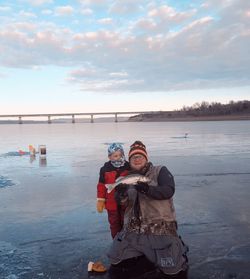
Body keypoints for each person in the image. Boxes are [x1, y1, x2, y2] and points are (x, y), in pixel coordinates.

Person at [108, 141, 189, 278]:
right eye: (134, 157)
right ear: (130, 161)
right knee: (117, 262)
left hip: (161, 231)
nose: (137, 159)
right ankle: (144, 256)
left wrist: (147, 189)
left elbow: (168, 191)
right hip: (133, 232)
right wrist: (120, 193)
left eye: (140, 156)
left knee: (174, 272)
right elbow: (123, 203)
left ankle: (175, 249)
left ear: (146, 158)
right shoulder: (127, 178)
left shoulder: (160, 171)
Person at [96, 143, 130, 238]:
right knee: (114, 223)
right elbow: (101, 186)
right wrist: (100, 200)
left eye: (120, 155)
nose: (118, 158)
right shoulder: (105, 169)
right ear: (109, 157)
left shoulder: (128, 166)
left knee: (126, 221)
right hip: (111, 203)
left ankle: (127, 241)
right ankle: (116, 241)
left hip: (126, 202)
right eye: (115, 156)